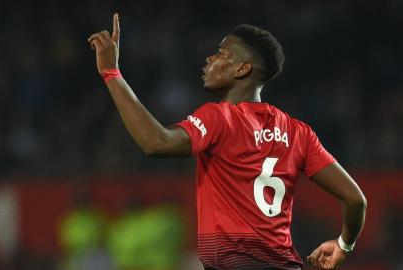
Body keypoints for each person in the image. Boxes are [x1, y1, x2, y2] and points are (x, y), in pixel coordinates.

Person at [88, 14, 367, 270]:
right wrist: (344, 246)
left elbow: (156, 142)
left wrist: (112, 74)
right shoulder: (298, 132)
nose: (210, 59)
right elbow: (356, 201)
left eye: (222, 53)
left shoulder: (220, 118)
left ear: (243, 69)